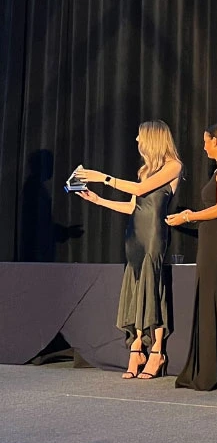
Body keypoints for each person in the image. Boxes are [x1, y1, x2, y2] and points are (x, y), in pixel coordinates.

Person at [76, 120, 183, 380]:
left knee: (152, 286)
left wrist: (104, 178)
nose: (136, 141)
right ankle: (136, 346)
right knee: (135, 286)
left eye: (139, 136)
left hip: (154, 235)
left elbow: (141, 190)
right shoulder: (145, 170)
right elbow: (133, 205)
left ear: (153, 139)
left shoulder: (173, 166)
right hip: (134, 235)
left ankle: (156, 350)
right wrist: (100, 200)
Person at [168, 123, 217, 391]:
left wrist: (188, 215)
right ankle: (212, 368)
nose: (203, 146)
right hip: (212, 238)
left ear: (215, 141)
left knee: (214, 301)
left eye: (205, 141)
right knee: (208, 300)